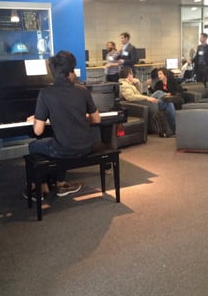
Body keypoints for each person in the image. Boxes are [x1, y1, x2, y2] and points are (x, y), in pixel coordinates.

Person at [25, 50, 101, 201]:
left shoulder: (46, 92)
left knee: (34, 146)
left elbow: (38, 131)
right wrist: (81, 116)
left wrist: (37, 118)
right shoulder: (82, 90)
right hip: (86, 146)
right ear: (71, 72)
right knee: (63, 140)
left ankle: (40, 185)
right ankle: (60, 183)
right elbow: (97, 120)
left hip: (65, 149)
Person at [119, 67, 176, 132]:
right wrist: (147, 98)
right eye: (132, 74)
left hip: (141, 102)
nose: (133, 75)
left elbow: (139, 93)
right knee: (168, 102)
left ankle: (173, 125)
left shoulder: (128, 83)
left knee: (160, 94)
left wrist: (137, 83)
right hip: (140, 103)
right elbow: (131, 97)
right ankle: (174, 126)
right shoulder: (124, 85)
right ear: (129, 75)